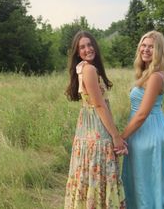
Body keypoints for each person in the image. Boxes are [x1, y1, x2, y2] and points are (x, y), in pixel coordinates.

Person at [64, 31, 126, 209]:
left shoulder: (82, 68)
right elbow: (99, 106)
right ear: (77, 52)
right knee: (100, 177)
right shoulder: (89, 69)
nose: (87, 49)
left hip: (86, 132)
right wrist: (116, 136)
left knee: (90, 177)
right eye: (82, 47)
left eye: (90, 44)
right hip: (97, 133)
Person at [121, 31, 164, 209]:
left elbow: (142, 114)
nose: (145, 49)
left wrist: (121, 138)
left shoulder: (155, 76)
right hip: (149, 128)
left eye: (151, 47)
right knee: (148, 179)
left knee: (145, 182)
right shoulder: (148, 73)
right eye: (143, 46)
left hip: (147, 131)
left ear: (159, 50)